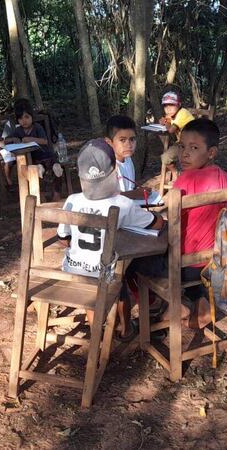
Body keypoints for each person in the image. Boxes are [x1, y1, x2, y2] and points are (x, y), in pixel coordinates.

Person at [126, 118, 227, 328]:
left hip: (185, 267)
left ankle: (175, 304)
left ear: (211, 152)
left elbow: (169, 218)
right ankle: (200, 301)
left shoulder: (185, 180)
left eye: (194, 148)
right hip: (218, 262)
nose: (184, 154)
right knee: (185, 257)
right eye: (182, 146)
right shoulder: (226, 178)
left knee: (131, 263)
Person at [57, 139, 164, 339]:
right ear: (114, 169)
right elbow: (156, 224)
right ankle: (125, 328)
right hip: (103, 277)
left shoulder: (71, 200)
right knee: (117, 276)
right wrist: (160, 216)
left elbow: (63, 239)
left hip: (72, 270)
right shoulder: (121, 203)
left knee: (95, 274)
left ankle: (96, 327)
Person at [5, 99, 61, 200]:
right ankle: (41, 195)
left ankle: (56, 193)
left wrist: (31, 139)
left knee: (54, 167)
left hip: (45, 154)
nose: (24, 121)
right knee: (36, 170)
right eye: (21, 119)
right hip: (33, 159)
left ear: (32, 117)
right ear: (18, 120)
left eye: (27, 117)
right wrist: (14, 139)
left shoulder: (37, 127)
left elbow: (45, 141)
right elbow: (6, 140)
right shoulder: (18, 131)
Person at [104, 115, 137, 192]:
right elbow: (111, 197)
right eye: (122, 140)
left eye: (132, 139)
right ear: (109, 142)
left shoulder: (128, 160)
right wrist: (136, 194)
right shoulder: (109, 167)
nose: (129, 145)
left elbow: (130, 188)